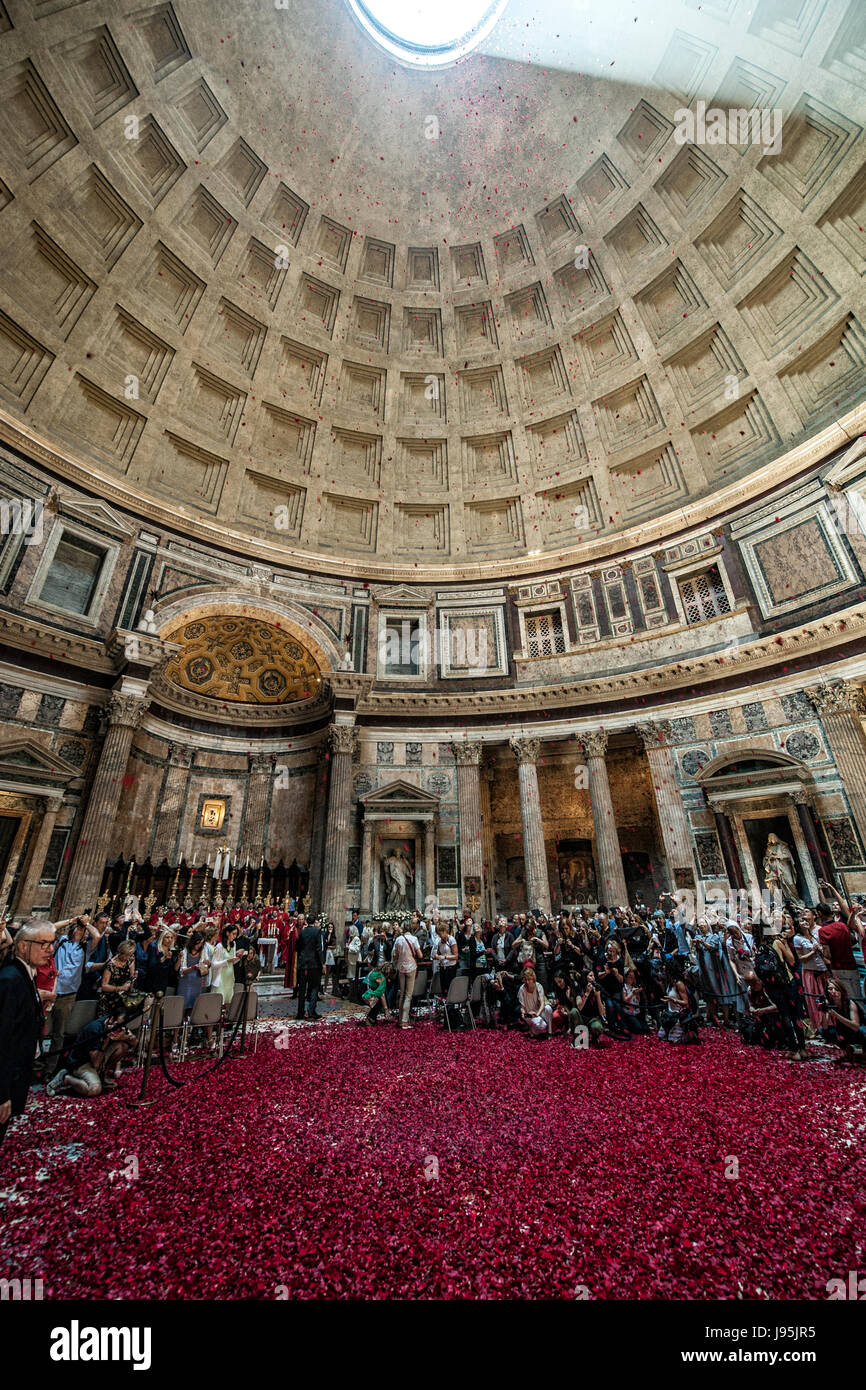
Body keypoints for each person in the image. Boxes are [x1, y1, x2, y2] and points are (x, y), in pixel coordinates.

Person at [0, 920, 53, 1147]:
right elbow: (1, 1041)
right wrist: (1, 1094)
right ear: (22, 946)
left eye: (52, 944)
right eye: (43, 944)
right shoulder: (10, 980)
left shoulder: (26, 975)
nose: (50, 950)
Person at [47, 1009, 135, 1097]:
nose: (118, 1029)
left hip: (98, 1058)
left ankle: (102, 1075)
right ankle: (65, 1078)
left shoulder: (119, 1026)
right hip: (81, 1061)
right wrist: (107, 1038)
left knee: (123, 1046)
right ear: (111, 1019)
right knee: (94, 1089)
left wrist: (124, 1037)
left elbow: (135, 1042)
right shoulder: (95, 1029)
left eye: (121, 1027)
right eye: (117, 1026)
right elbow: (96, 1063)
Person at [391, 923, 421, 1030]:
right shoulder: (414, 939)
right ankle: (404, 1020)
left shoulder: (398, 939)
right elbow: (420, 955)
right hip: (411, 967)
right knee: (408, 995)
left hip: (401, 967)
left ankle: (400, 1019)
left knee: (402, 993)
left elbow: (395, 955)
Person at [98, 939, 138, 1016]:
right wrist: (121, 988)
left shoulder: (131, 958)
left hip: (122, 998)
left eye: (129, 955)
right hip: (108, 998)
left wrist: (133, 978)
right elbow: (104, 986)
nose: (126, 957)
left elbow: (131, 976)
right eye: (124, 954)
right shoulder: (111, 965)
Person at [296, 916, 323, 1021]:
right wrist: (322, 963)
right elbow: (319, 949)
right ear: (314, 922)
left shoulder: (302, 932)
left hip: (303, 964)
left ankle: (300, 1012)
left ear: (306, 921)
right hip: (314, 964)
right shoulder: (317, 932)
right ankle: (311, 1011)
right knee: (314, 987)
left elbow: (297, 947)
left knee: (302, 989)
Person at [211, 925, 245, 1009]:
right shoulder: (220, 946)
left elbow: (232, 962)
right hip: (221, 977)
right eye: (233, 934)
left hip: (229, 976)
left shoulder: (233, 945)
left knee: (228, 1001)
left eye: (236, 934)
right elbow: (213, 964)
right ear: (227, 933)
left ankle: (225, 1019)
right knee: (219, 1002)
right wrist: (227, 961)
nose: (235, 936)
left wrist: (238, 958)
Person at [517, 963, 553, 1038]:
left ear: (533, 978)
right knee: (541, 1026)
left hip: (538, 1012)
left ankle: (549, 1032)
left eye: (529, 979)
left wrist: (537, 1013)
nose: (527, 982)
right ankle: (535, 1028)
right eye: (525, 980)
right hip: (529, 1014)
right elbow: (522, 1007)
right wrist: (523, 1013)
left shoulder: (538, 986)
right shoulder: (522, 989)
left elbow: (543, 1003)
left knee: (548, 1008)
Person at [322, 920, 337, 995]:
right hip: (325, 953)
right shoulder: (325, 934)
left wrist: (328, 946)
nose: (330, 928)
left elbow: (334, 946)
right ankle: (323, 988)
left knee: (328, 972)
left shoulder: (333, 936)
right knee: (324, 972)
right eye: (329, 927)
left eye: (331, 927)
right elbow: (324, 942)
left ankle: (325, 988)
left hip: (330, 953)